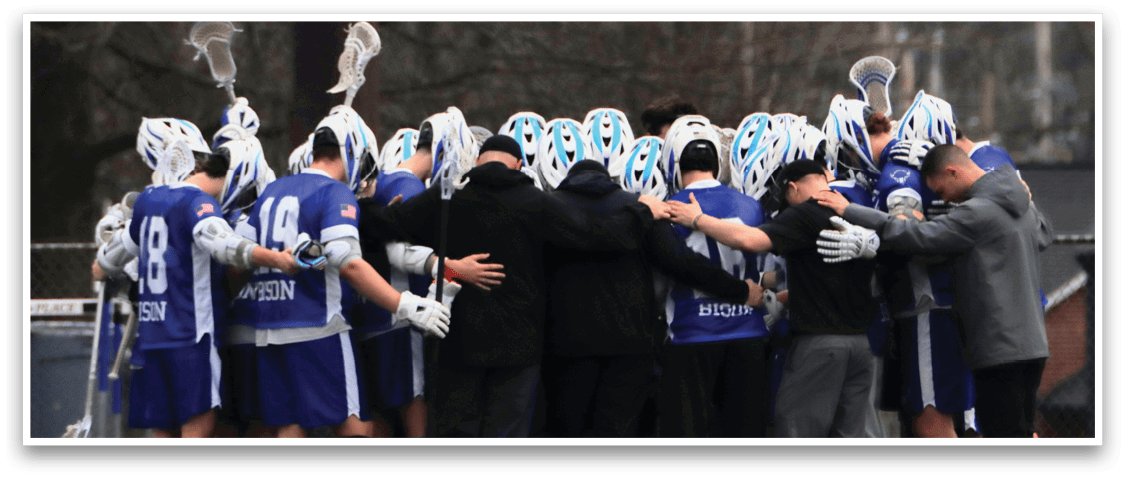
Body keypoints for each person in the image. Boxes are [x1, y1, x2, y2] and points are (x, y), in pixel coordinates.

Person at [358, 134, 669, 437]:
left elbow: (383, 227)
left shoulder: (447, 198)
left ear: (477, 161)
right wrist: (642, 212)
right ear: (519, 165)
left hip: (458, 339)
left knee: (456, 430)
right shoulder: (535, 202)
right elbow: (595, 234)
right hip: (519, 342)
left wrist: (370, 204)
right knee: (507, 431)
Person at [228, 109, 450, 438]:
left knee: (290, 427)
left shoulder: (272, 192)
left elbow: (236, 263)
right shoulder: (335, 192)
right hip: (319, 327)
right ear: (354, 148)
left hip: (268, 329)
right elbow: (349, 264)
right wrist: (404, 304)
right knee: (356, 426)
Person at [814, 144, 1052, 438]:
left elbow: (917, 235)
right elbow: (1044, 233)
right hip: (1033, 344)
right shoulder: (1022, 204)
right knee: (1022, 431)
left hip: (997, 346)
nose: (945, 200)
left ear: (953, 171)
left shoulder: (975, 213)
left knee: (1002, 434)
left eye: (940, 191)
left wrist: (850, 210)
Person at [93, 123, 300, 438]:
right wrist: (277, 259)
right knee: (197, 429)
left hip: (151, 339)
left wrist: (101, 267)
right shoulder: (197, 204)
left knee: (162, 430)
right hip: (191, 338)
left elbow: (110, 257)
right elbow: (226, 247)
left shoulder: (151, 199)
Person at [541, 156, 761, 438]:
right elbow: (682, 263)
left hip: (564, 344)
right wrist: (739, 290)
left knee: (567, 429)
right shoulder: (642, 209)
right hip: (629, 343)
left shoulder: (548, 208)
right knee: (616, 429)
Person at [666, 159, 884, 438]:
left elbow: (750, 240)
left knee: (796, 429)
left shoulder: (804, 213)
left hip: (820, 345)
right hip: (861, 346)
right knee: (850, 435)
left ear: (792, 188)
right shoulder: (854, 212)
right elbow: (826, 273)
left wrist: (697, 219)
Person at [655, 124, 773, 437]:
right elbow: (765, 271)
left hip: (692, 333)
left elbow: (662, 279)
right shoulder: (751, 205)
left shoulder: (670, 209)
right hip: (747, 331)